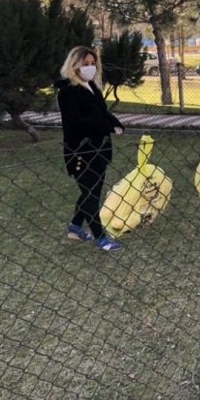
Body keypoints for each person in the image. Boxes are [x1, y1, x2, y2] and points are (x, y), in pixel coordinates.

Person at [56, 46, 124, 252]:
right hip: (81, 153)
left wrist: (116, 122)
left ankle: (75, 227)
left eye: (92, 63)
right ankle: (101, 238)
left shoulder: (92, 87)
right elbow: (77, 123)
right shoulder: (67, 91)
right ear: (73, 64)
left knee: (92, 192)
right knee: (90, 195)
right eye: (85, 64)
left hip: (100, 150)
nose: (90, 67)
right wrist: (107, 126)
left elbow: (103, 113)